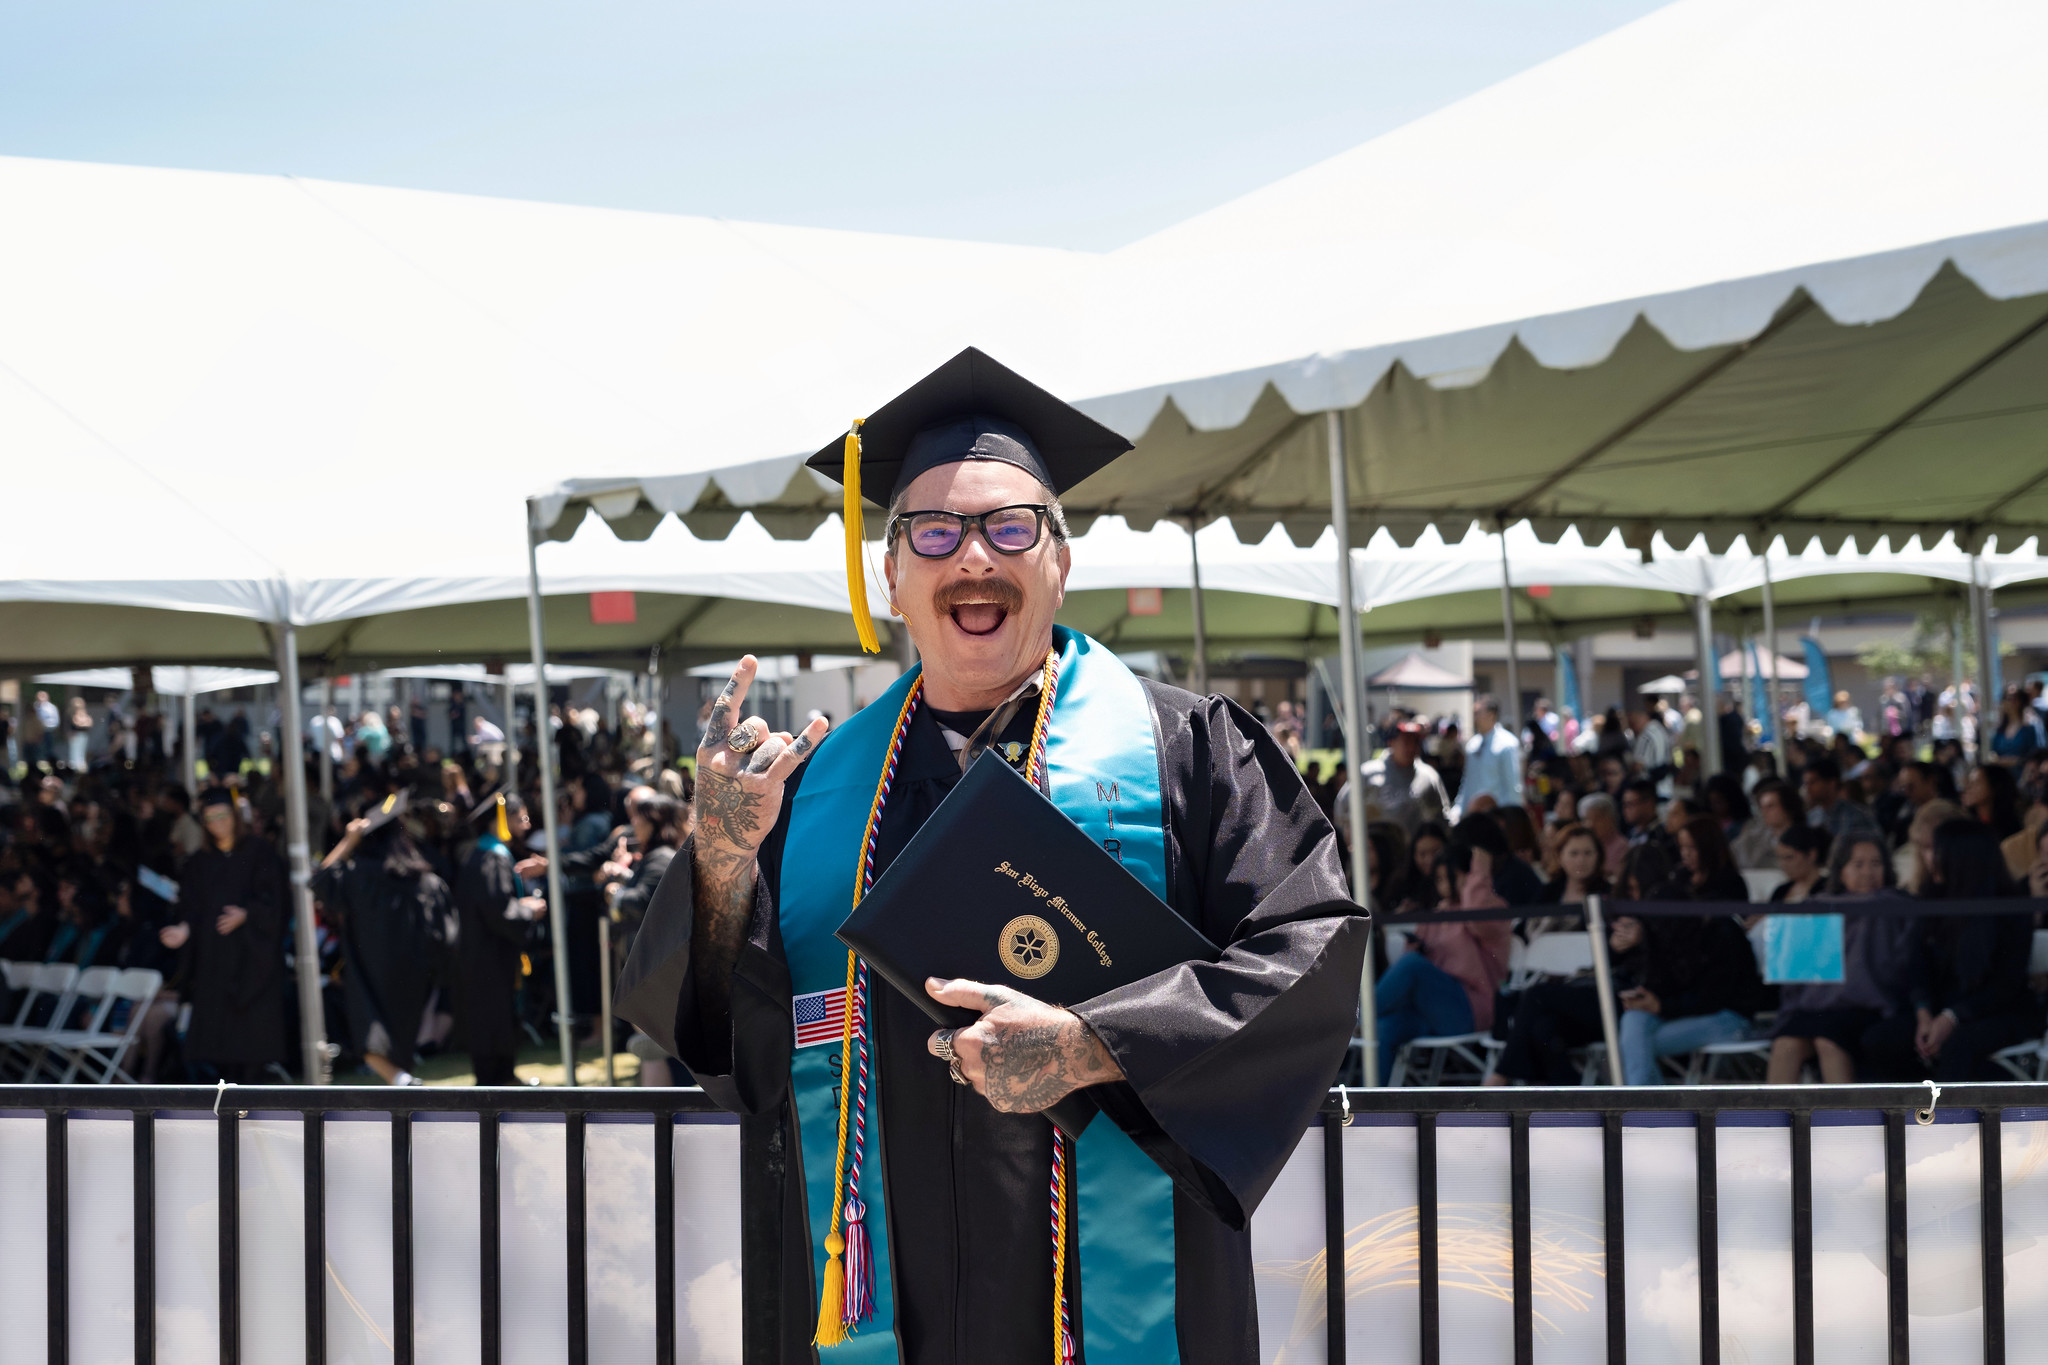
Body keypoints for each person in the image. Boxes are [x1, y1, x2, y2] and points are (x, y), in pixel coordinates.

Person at [617, 349, 1369, 1363]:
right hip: (887, 1290)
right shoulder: (811, 787)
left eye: (1009, 527)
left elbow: (1306, 948)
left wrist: (1095, 1042)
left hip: (1121, 1298)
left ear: (1061, 561)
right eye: (933, 532)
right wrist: (718, 863)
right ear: (891, 577)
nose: (972, 557)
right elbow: (728, 1038)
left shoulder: (1190, 752)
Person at [1862, 819, 2036, 1081]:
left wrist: (1952, 1017)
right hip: (1940, 1009)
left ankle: (1945, 1120)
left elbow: (2005, 986)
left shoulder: (2010, 910)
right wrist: (1923, 1013)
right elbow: (1917, 967)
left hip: (1998, 1011)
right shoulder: (1933, 904)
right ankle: (1907, 1113)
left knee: (1958, 1044)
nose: (1929, 858)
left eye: (1936, 850)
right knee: (1880, 1040)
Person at [313, 795, 455, 1086]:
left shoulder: (360, 876)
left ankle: (402, 1081)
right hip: (416, 976)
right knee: (399, 1040)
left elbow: (320, 881)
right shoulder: (425, 880)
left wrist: (348, 841)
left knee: (371, 1039)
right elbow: (447, 934)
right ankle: (403, 1081)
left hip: (370, 975)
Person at [1765, 832, 1915, 1084]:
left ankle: (1844, 1121)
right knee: (1785, 1046)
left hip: (1865, 1006)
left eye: (1876, 863)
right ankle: (1768, 1122)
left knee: (1829, 1042)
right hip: (1815, 1006)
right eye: (1858, 865)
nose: (1867, 872)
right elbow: (1796, 972)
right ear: (1841, 870)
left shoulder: (1895, 905)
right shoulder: (1817, 905)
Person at [159, 787, 286, 1082]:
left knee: (251, 1038)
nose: (218, 823)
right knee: (220, 1037)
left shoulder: (259, 852)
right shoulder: (200, 862)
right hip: (215, 958)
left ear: (234, 816)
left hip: (252, 958)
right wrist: (183, 929)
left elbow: (276, 901)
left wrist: (248, 913)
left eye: (222, 816)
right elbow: (193, 907)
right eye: (210, 818)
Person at [1374, 840, 1511, 1079]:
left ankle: (1351, 1017)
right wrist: (1416, 948)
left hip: (1472, 1010)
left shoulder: (1492, 908)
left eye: (1453, 877)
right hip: (1432, 1009)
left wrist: (1478, 876)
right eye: (1439, 878)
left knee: (1411, 966)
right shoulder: (1435, 915)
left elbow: (1477, 919)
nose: (1445, 884)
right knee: (1386, 1028)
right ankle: (1370, 1104)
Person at [453, 792, 549, 1087]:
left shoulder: (486, 853)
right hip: (488, 957)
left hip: (485, 954)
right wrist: (527, 910)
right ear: (502, 821)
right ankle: (496, 1081)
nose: (527, 823)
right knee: (492, 1018)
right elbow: (498, 910)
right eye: (521, 817)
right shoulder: (492, 857)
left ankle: (501, 1078)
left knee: (495, 1015)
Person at [1345, 720, 1448, 837]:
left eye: (1416, 742)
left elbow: (1441, 816)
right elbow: (1343, 808)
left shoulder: (1428, 776)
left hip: (1413, 851)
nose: (1411, 747)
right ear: (1391, 742)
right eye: (1406, 741)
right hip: (1373, 849)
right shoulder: (1368, 773)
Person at [1461, 694, 1523, 812]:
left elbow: (1513, 786)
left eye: (1478, 713)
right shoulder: (1472, 745)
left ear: (1491, 715)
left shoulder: (1507, 744)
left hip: (1497, 815)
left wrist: (1512, 817)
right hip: (1474, 815)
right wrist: (1460, 810)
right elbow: (1467, 782)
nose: (1475, 718)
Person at [1802, 755, 1882, 846]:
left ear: (1831, 783)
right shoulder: (1812, 817)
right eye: (1806, 783)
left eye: (1813, 782)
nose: (1808, 789)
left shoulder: (1857, 816)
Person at [1675, 816, 1749, 902]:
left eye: (1692, 847)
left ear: (1708, 847)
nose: (1685, 854)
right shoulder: (1680, 876)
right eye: (1682, 847)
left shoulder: (1730, 882)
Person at [1731, 776, 1799, 870]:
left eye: (1770, 806)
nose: (1764, 812)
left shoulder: (1805, 836)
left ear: (1788, 807)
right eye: (1762, 808)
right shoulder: (1751, 839)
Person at [1577, 792, 1629, 880]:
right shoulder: (1583, 845)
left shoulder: (1622, 848)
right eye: (1586, 819)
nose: (1590, 824)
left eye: (1597, 818)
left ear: (1611, 819)